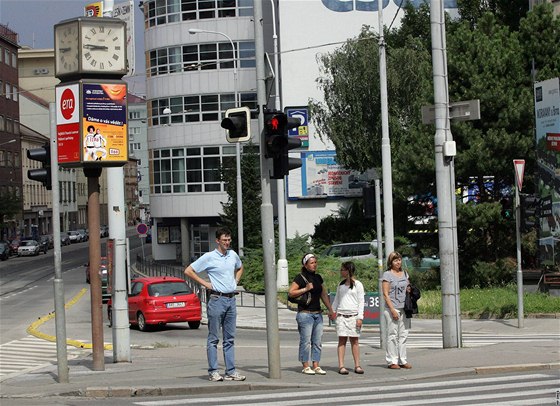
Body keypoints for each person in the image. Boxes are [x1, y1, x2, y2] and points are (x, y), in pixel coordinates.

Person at [184, 227, 246, 382]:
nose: (227, 242)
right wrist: (205, 283)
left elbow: (240, 267)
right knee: (213, 338)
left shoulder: (232, 255)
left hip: (231, 299)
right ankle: (213, 371)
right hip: (217, 300)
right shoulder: (209, 257)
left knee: (229, 338)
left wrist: (235, 281)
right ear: (217, 240)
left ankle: (230, 371)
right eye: (224, 240)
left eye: (229, 240)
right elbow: (189, 271)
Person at [288, 253, 335, 375]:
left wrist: (330, 309)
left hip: (317, 313)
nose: (314, 265)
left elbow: (323, 294)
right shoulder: (300, 277)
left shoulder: (318, 277)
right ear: (305, 264)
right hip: (305, 314)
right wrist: (305, 289)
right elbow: (291, 293)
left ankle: (316, 365)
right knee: (306, 341)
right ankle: (305, 365)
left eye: (315, 262)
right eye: (312, 263)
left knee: (317, 341)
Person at [331, 261, 365, 375]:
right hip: (341, 316)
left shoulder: (358, 285)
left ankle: (357, 365)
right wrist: (332, 311)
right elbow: (337, 299)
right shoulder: (340, 285)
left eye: (343, 269)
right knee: (342, 340)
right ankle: (341, 366)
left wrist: (360, 318)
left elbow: (361, 302)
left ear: (348, 270)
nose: (341, 271)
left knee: (355, 341)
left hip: (354, 316)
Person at [382, 251, 412, 369]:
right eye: (395, 260)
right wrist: (392, 310)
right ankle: (392, 361)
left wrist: (409, 290)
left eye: (399, 259)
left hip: (404, 307)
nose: (398, 262)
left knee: (404, 334)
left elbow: (408, 287)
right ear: (391, 262)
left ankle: (402, 360)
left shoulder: (405, 273)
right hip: (392, 308)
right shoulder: (387, 275)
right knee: (392, 334)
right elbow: (385, 293)